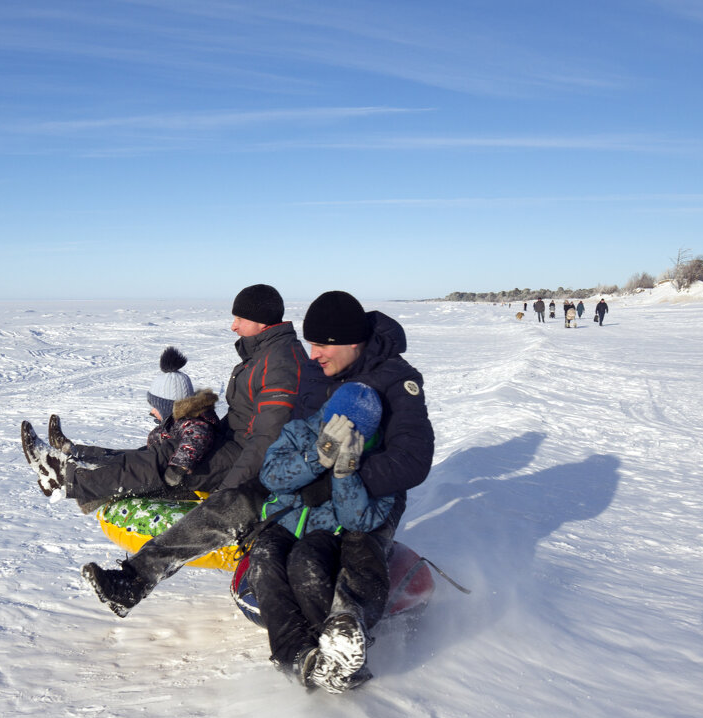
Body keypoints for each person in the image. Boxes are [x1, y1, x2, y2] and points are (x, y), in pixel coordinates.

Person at [81, 290, 436, 660]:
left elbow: (412, 460)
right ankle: (135, 579)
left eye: (321, 346)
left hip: (370, 494)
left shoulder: (397, 382)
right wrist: (283, 472)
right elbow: (289, 429)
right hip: (304, 477)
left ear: (349, 341)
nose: (313, 354)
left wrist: (336, 482)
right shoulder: (321, 372)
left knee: (358, 546)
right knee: (232, 503)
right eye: (311, 344)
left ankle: (348, 630)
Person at [22, 284, 308, 510]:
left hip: (241, 455)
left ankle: (65, 477)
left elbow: (267, 437)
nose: (233, 325)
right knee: (156, 455)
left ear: (261, 322)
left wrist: (228, 490)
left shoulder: (278, 361)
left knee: (160, 464)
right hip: (231, 442)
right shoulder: (262, 354)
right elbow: (243, 415)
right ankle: (72, 458)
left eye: (240, 318)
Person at [247, 382, 397, 692]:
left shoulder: (382, 462)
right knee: (264, 560)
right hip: (284, 523)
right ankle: (298, 656)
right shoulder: (299, 432)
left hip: (330, 536)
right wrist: (317, 457)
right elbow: (271, 476)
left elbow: (357, 520)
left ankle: (334, 654)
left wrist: (345, 475)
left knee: (306, 562)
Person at [21, 347, 220, 512]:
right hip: (166, 469)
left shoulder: (196, 423)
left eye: (156, 406)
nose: (151, 411)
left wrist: (178, 467)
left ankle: (62, 473)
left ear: (171, 407)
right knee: (124, 457)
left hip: (184, 480)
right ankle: (72, 451)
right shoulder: (179, 422)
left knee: (133, 465)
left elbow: (196, 439)